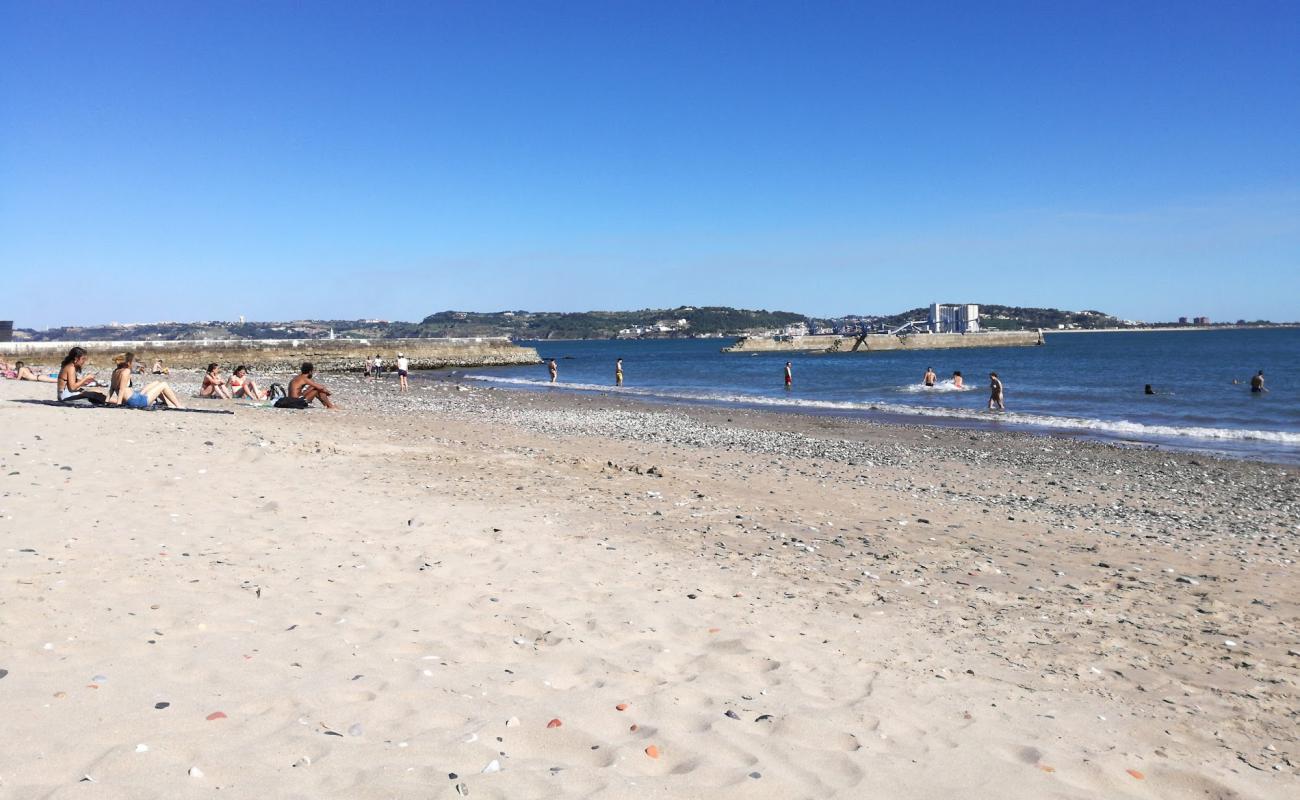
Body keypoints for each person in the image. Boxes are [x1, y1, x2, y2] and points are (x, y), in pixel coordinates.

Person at [107, 353, 183, 409]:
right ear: (128, 363)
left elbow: (112, 388)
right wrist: (119, 404)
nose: (134, 364)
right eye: (133, 361)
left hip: (133, 397)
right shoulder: (126, 371)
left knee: (156, 383)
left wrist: (106, 401)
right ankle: (178, 406)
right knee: (164, 384)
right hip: (136, 402)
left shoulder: (115, 371)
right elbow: (121, 389)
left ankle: (169, 404)